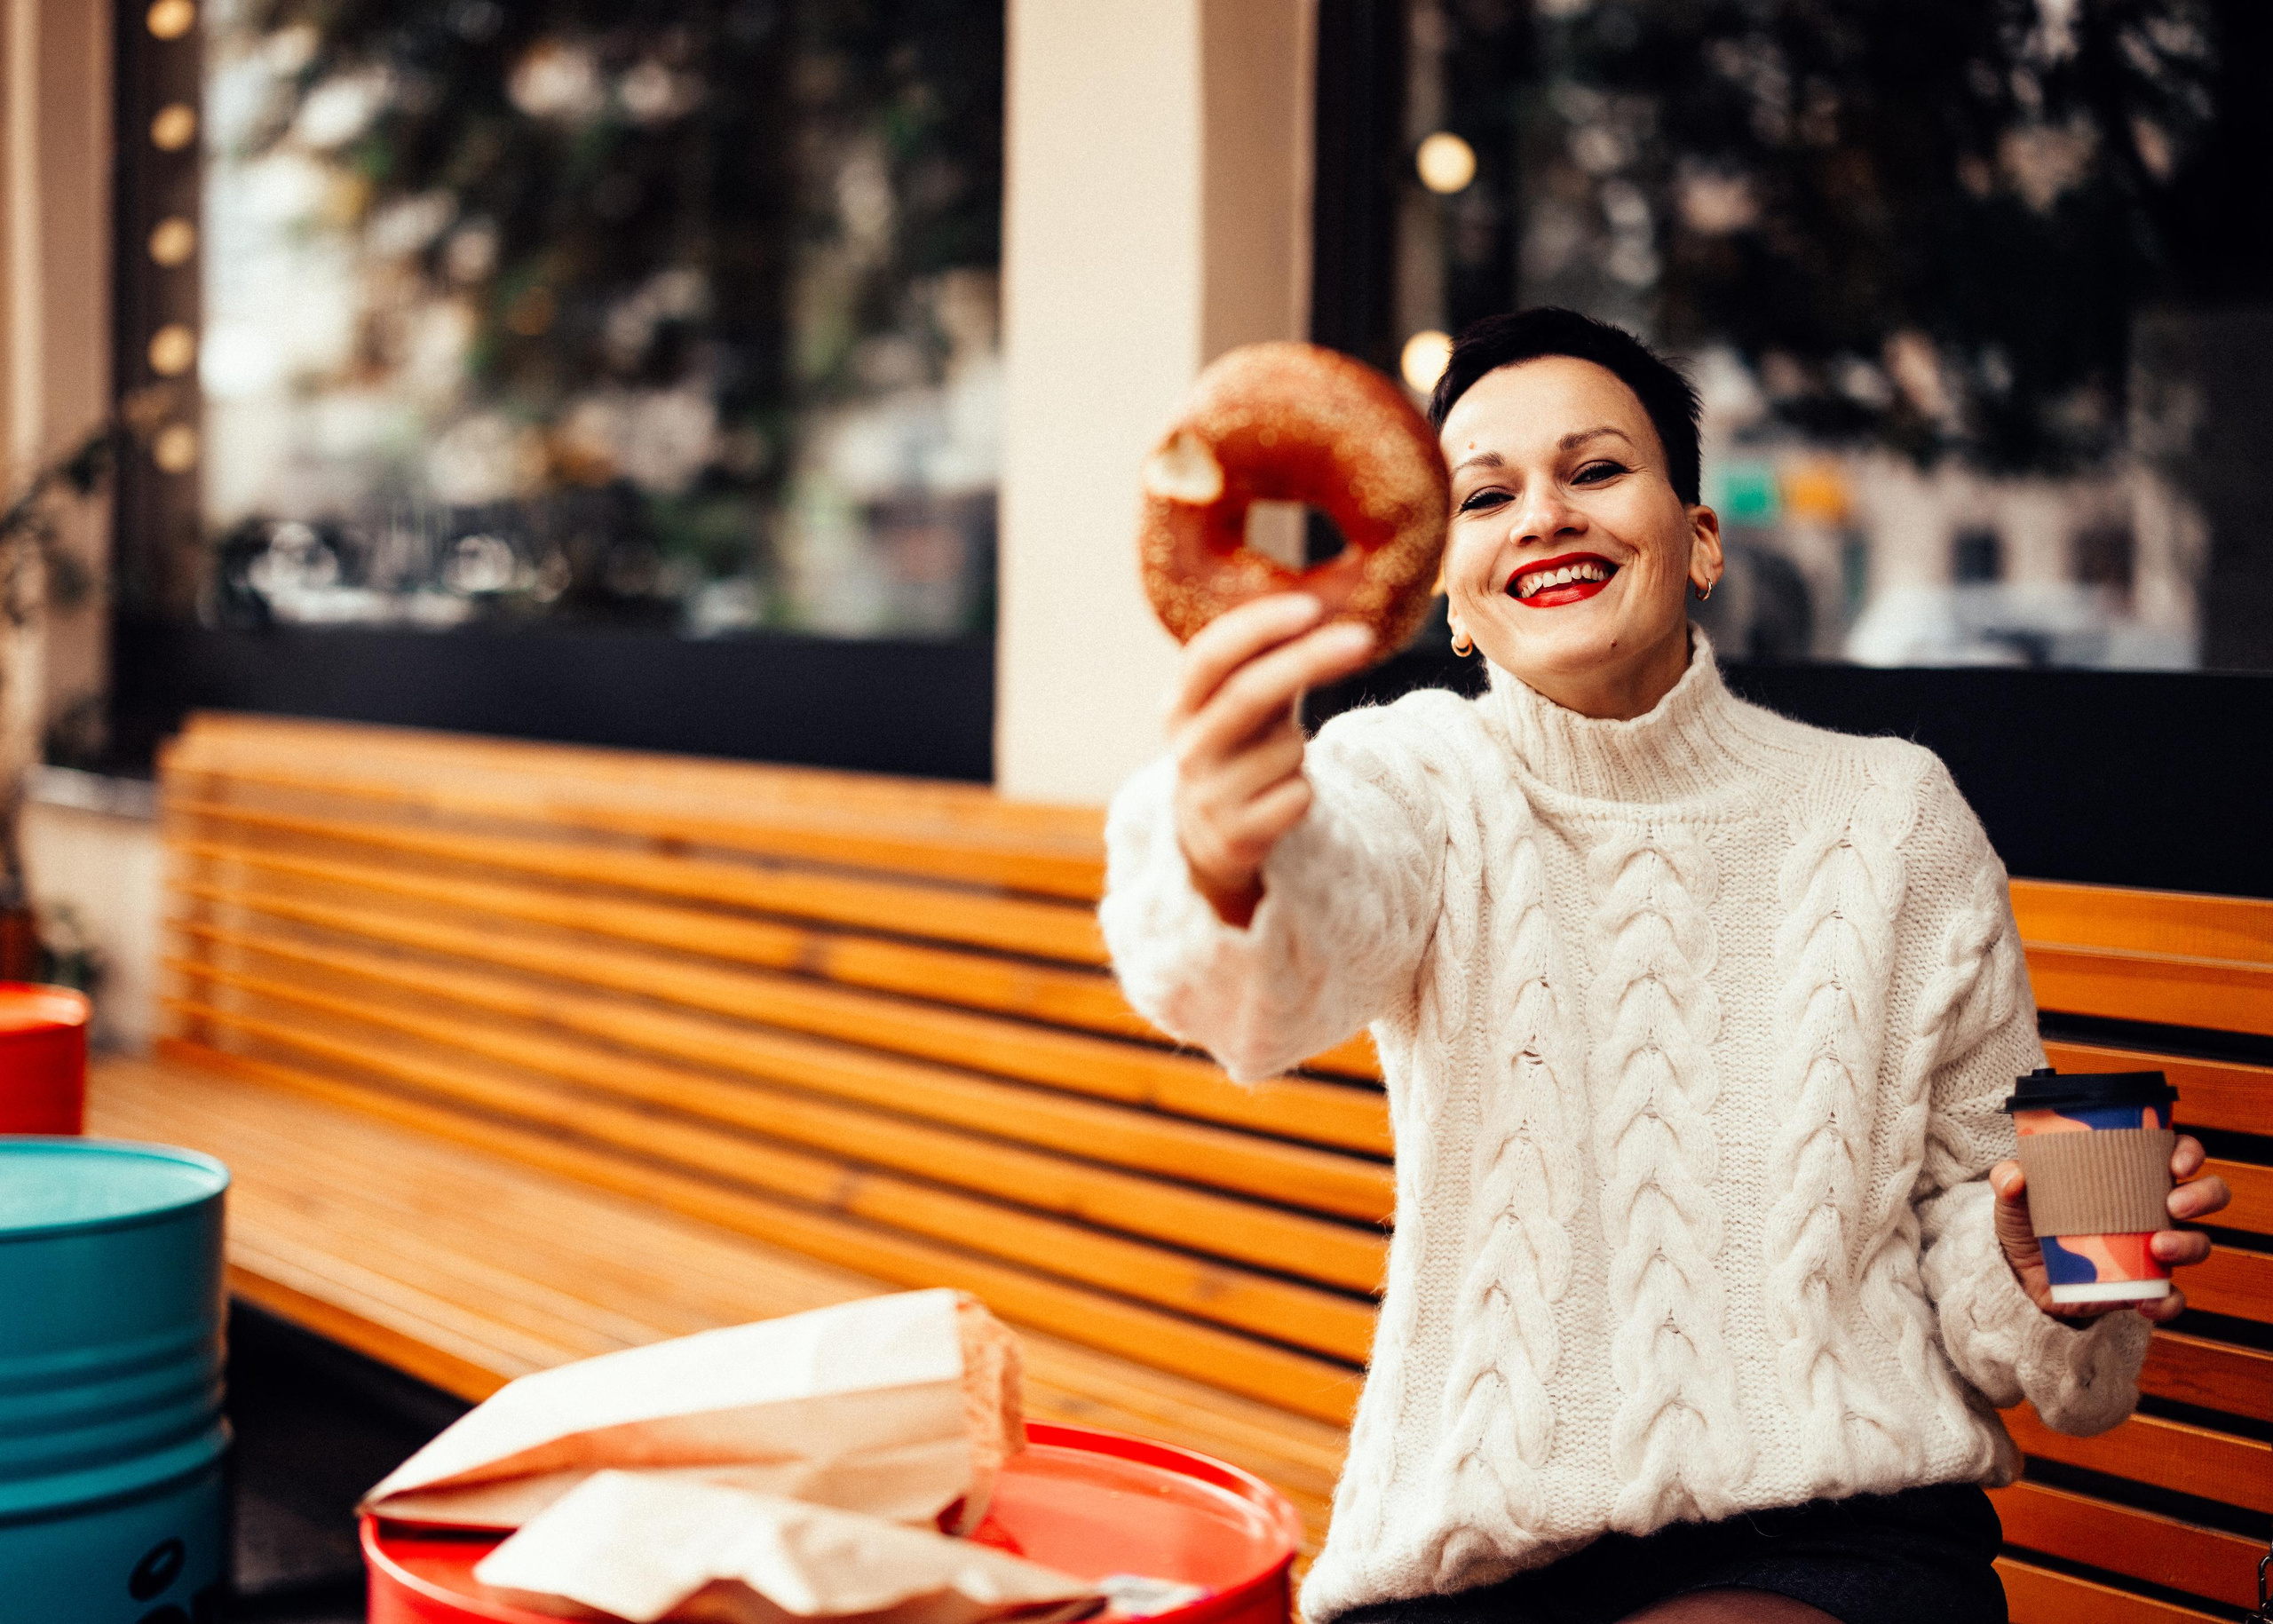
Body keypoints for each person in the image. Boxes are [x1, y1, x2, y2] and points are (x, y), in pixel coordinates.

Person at [1098, 309, 2232, 1624]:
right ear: (1450, 594)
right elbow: (1270, 976)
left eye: (1596, 471)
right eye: (1487, 493)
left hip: (1831, 1534)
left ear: (1698, 540)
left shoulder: (1892, 815)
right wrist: (1224, 839)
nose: (1544, 516)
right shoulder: (1416, 778)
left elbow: (1996, 1261)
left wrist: (2036, 1267)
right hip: (1470, 1547)